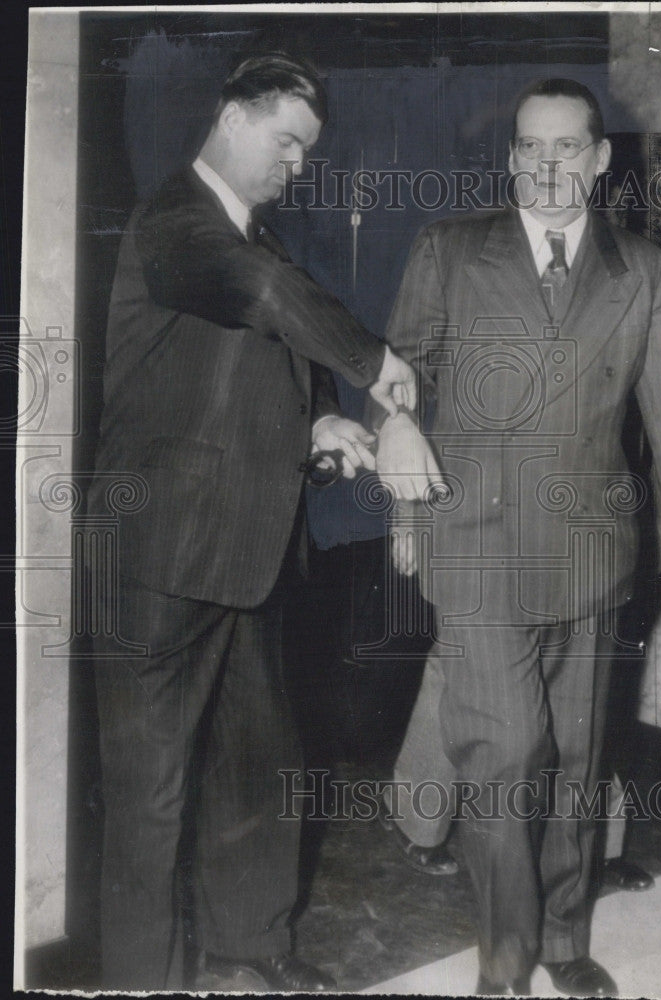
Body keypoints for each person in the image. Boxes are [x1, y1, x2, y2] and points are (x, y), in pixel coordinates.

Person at [373, 77, 661, 997]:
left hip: (590, 554)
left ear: (598, 157)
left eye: (565, 147)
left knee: (576, 766)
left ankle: (566, 943)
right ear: (510, 159)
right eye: (529, 149)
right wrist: (403, 493)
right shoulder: (449, 251)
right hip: (478, 548)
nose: (545, 167)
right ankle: (505, 960)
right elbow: (399, 381)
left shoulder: (645, 272)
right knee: (502, 762)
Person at [87, 52, 417, 992]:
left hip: (251, 554)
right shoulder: (176, 225)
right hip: (156, 564)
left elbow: (247, 366)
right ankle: (142, 981)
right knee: (150, 803)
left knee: (257, 776)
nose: (297, 166)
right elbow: (263, 301)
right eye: (287, 143)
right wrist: (372, 362)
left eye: (308, 153)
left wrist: (320, 420)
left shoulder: (252, 238)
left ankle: (250, 953)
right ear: (233, 118)